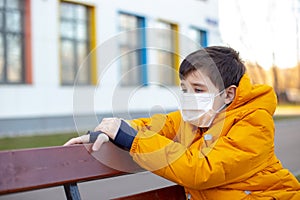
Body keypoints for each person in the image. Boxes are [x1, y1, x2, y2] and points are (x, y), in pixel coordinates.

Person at [64, 46, 300, 199]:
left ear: (228, 94)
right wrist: (108, 131)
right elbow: (155, 126)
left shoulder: (254, 123)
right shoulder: (195, 117)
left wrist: (133, 140)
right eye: (185, 89)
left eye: (198, 89)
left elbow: (202, 169)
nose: (189, 97)